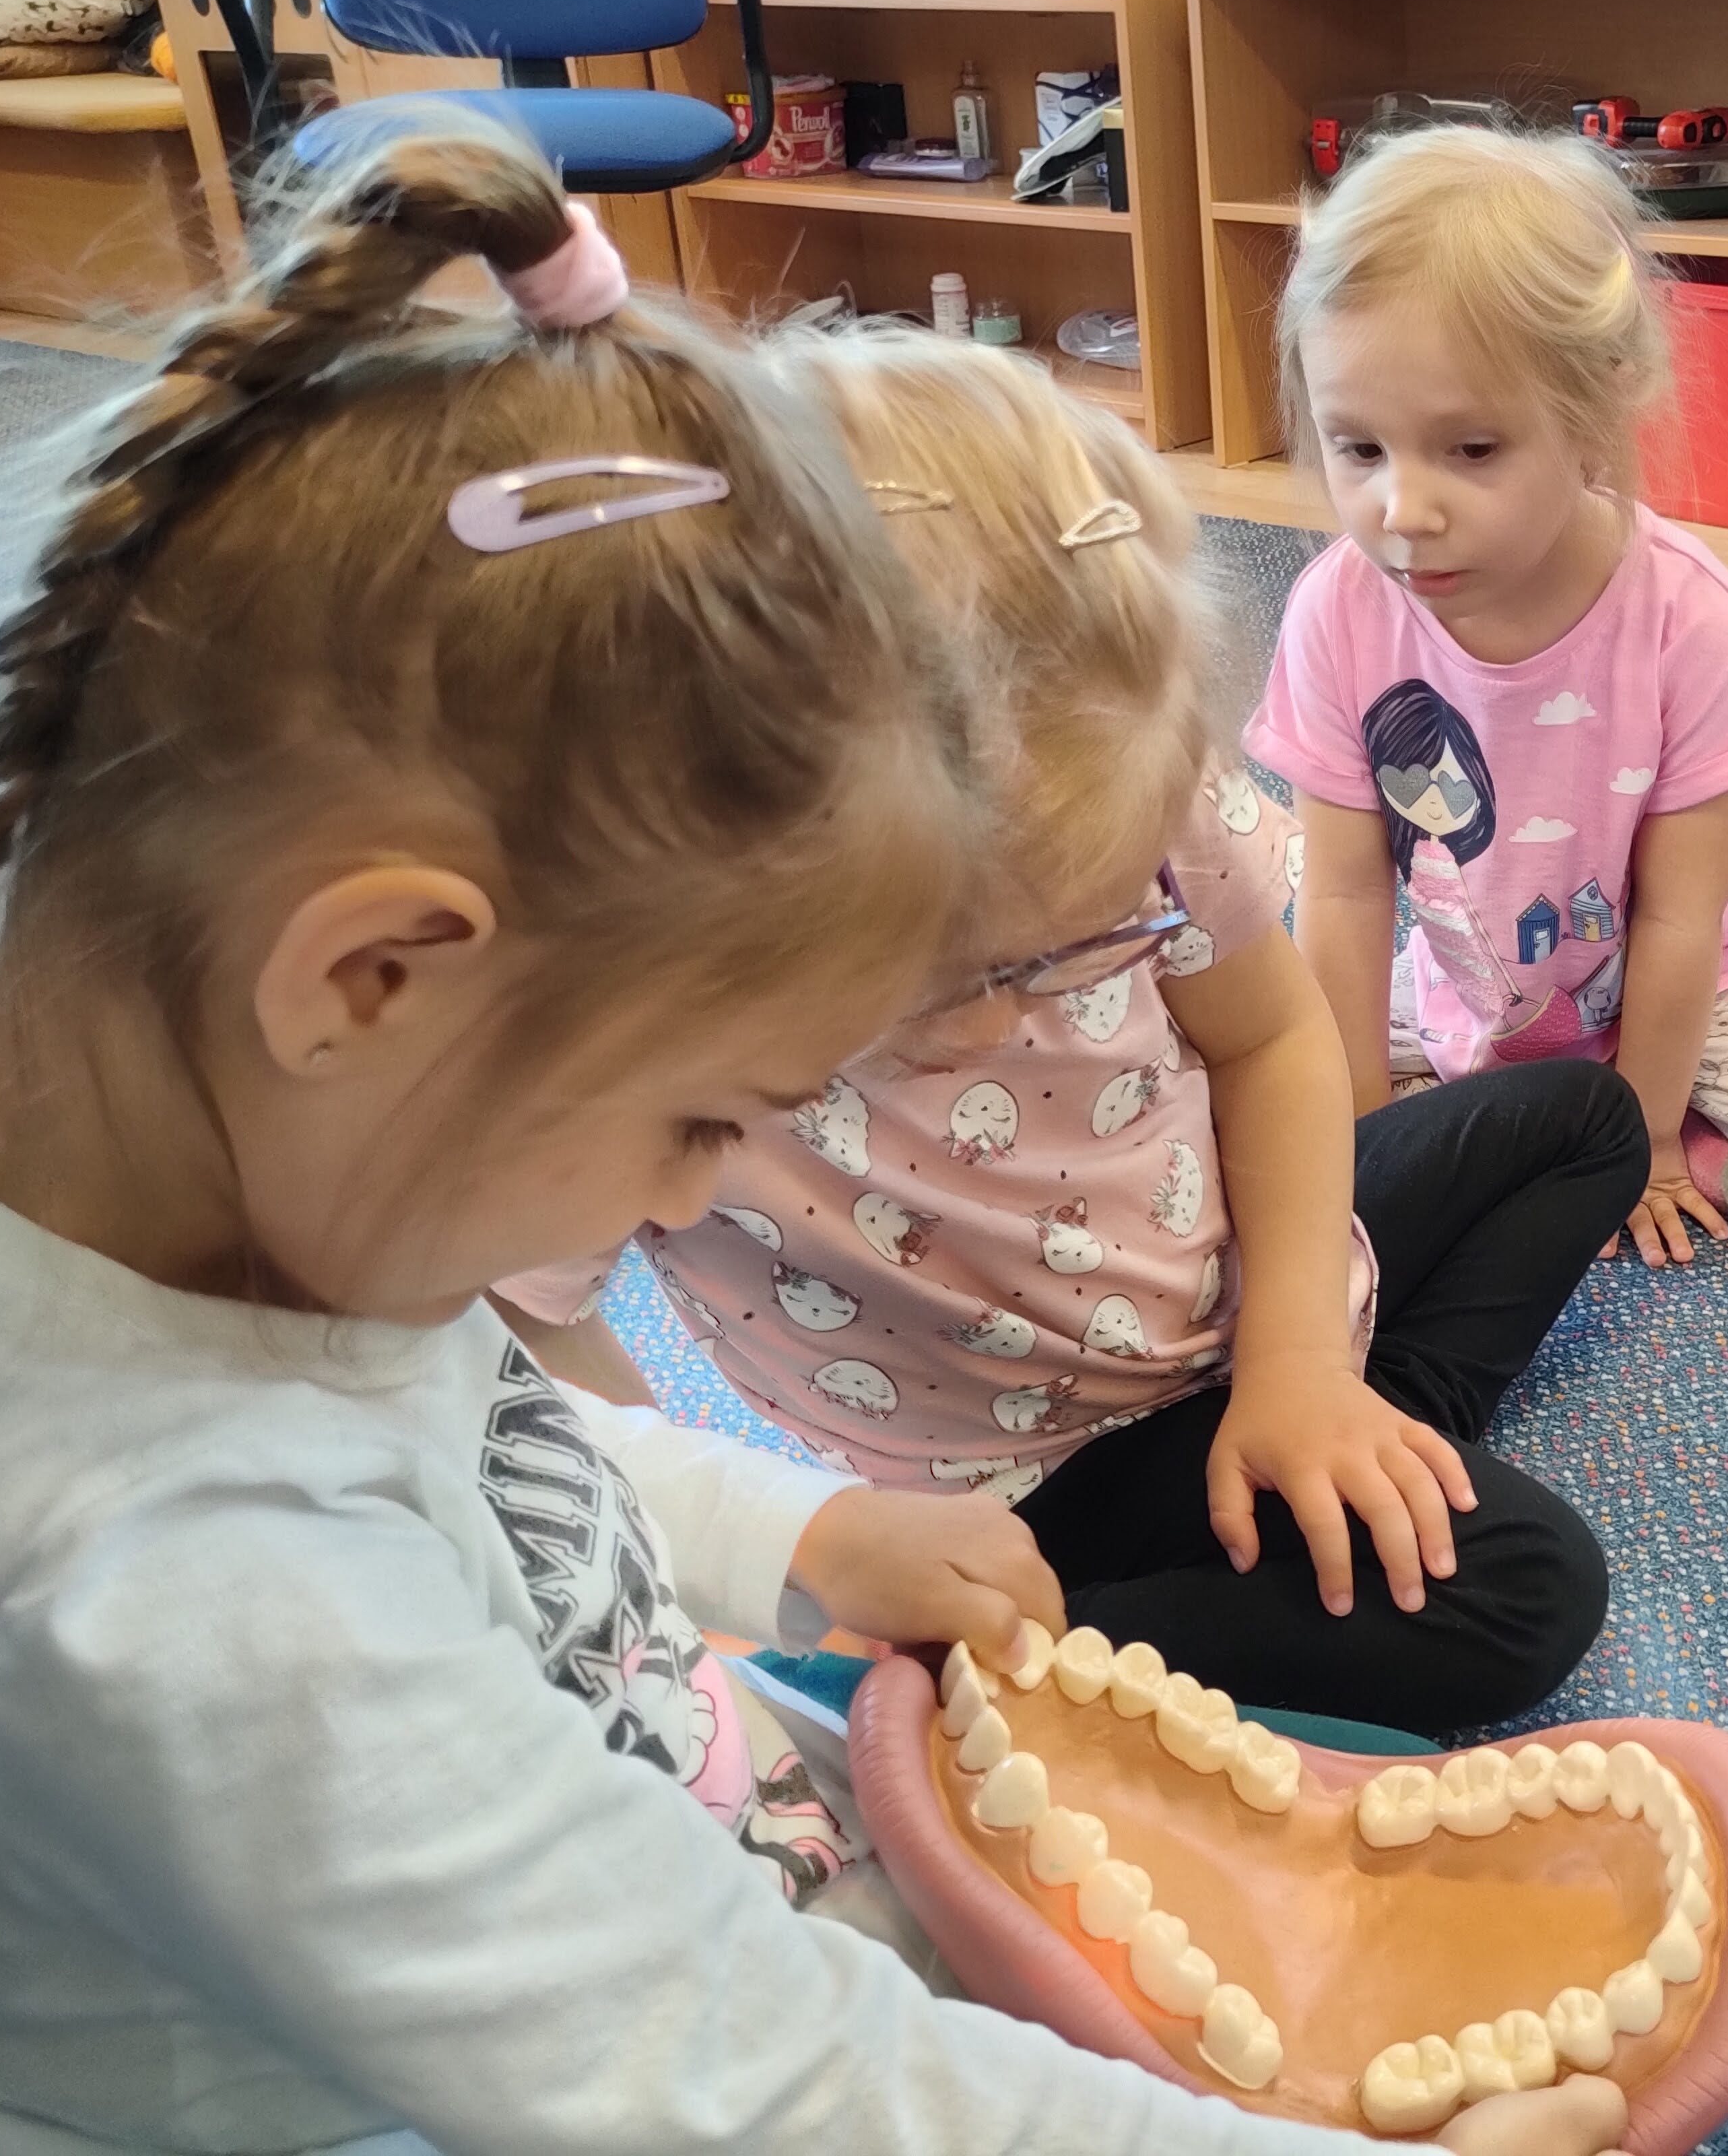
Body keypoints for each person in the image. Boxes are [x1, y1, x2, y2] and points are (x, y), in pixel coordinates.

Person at [0, 115, 1618, 2156]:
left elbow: (506, 1447)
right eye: (704, 1114)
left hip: (710, 1790)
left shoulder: (253, 1203)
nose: (696, 1192)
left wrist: (793, 1537)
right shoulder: (174, 1603)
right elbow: (748, 2078)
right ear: (372, 979)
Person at [496, 329, 1644, 1738]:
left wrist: (1293, 1361)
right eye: (952, 979)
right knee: (1529, 1589)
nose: (1013, 1016)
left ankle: (1333, 1435)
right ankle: (972, 1661)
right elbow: (525, 1319)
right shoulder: (647, 1010)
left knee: (1585, 1122)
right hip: (1031, 1471)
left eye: (1083, 944)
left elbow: (1269, 1043)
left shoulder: (1128, 775)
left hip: (1223, 1308)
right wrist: (775, 1544)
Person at [1247, 125, 1728, 1272]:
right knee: (1225, 1064)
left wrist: (1648, 1144)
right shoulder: (1337, 609)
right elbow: (1344, 894)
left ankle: (1634, 1123)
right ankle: (1515, 1107)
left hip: (1702, 976)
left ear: (1595, 411)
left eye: (1473, 449)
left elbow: (1676, 920)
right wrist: (1364, 1139)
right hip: (1473, 973)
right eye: (1358, 448)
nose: (1403, 510)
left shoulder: (1687, 617)